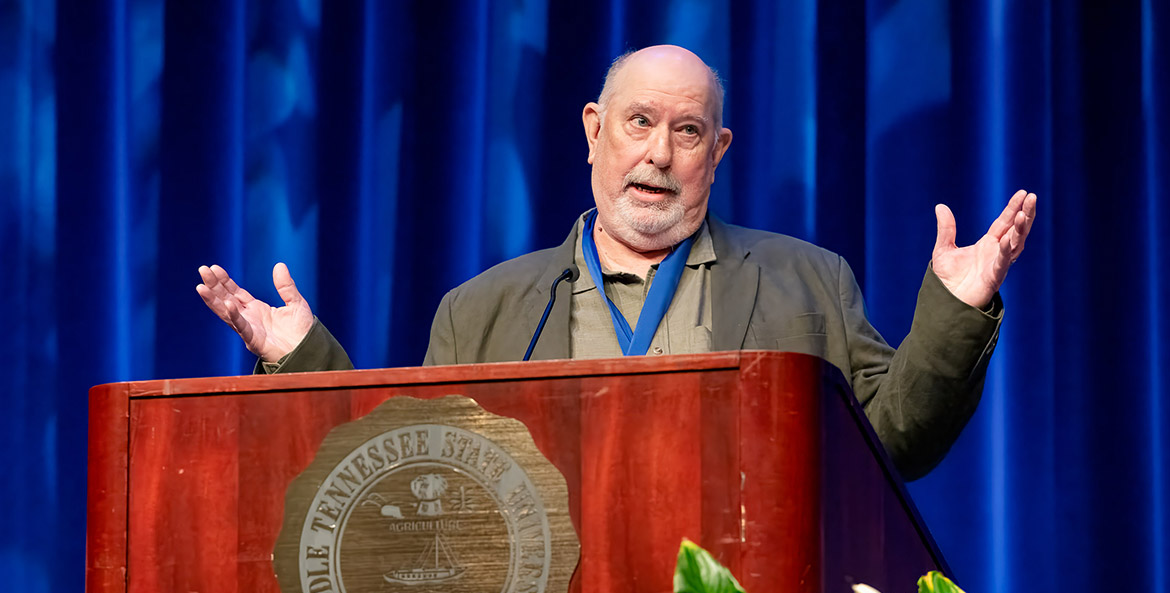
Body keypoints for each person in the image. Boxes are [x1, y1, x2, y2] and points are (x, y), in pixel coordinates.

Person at [196, 45, 1036, 480]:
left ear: (719, 150)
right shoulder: (483, 308)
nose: (659, 155)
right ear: (595, 129)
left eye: (687, 131)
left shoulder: (809, 280)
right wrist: (300, 359)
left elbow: (896, 447)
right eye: (639, 123)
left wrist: (952, 313)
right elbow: (416, 472)